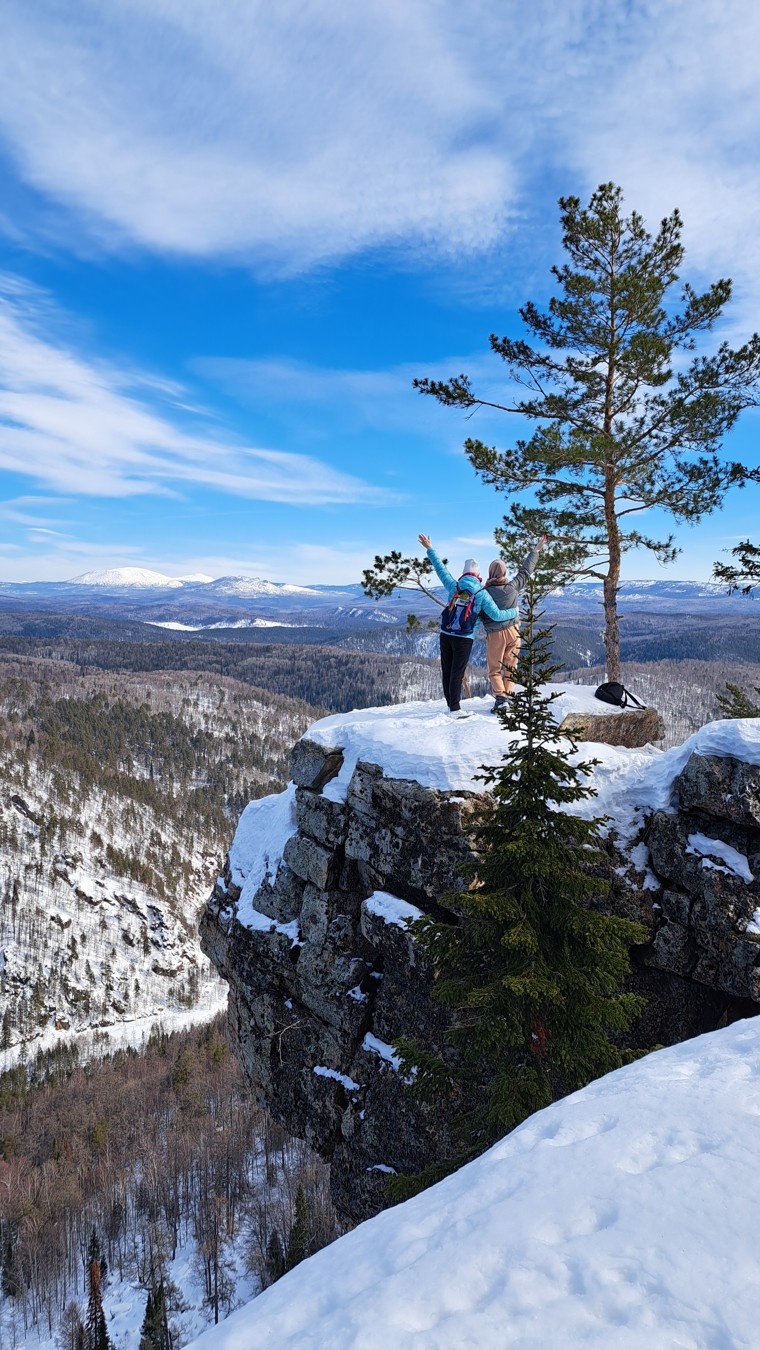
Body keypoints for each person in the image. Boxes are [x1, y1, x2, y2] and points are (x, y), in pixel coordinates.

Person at [418, 533, 519, 717]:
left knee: (447, 670)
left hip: (445, 632)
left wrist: (429, 549)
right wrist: (514, 612)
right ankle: (455, 709)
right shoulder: (481, 593)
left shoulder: (454, 585)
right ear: (478, 575)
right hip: (464, 638)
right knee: (458, 671)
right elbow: (496, 615)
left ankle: (451, 705)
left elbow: (440, 569)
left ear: (464, 572)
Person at [482, 536, 547, 711]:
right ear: (504, 573)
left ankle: (501, 698)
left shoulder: (484, 593)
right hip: (514, 631)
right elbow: (526, 571)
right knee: (511, 665)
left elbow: (479, 614)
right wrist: (536, 550)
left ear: (490, 574)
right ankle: (509, 697)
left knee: (495, 668)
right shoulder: (512, 588)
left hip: (495, 634)